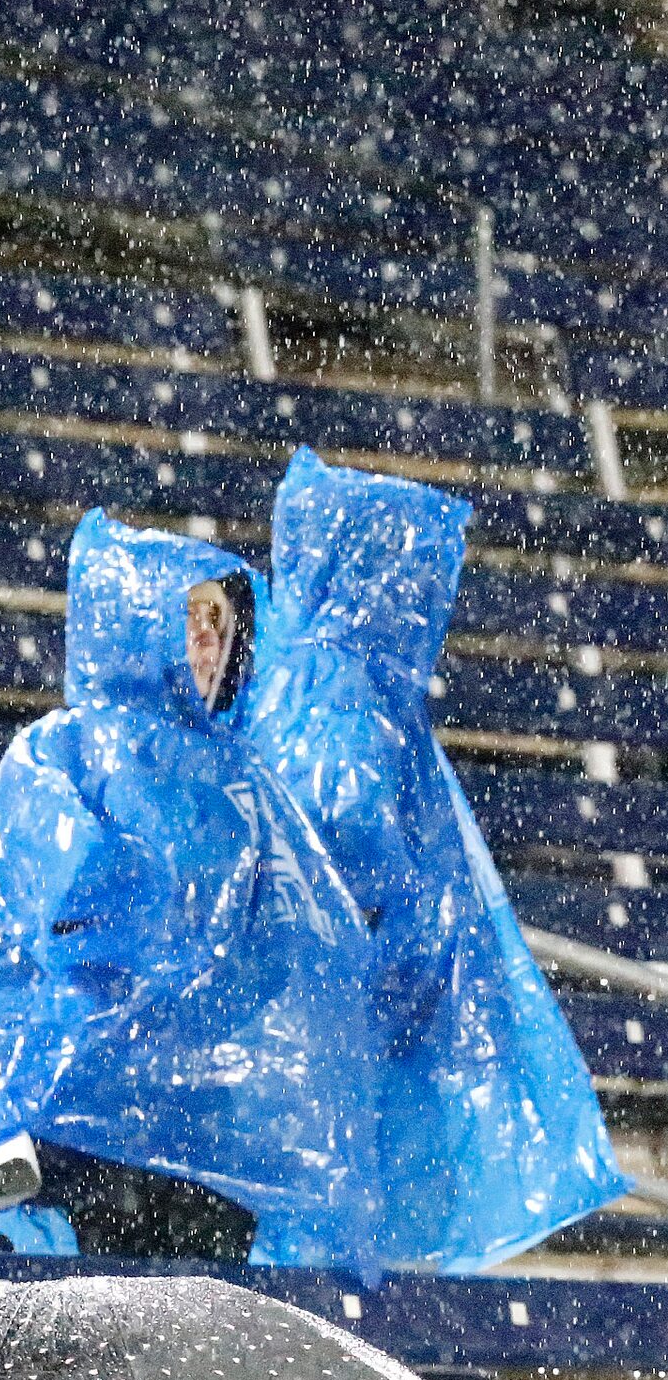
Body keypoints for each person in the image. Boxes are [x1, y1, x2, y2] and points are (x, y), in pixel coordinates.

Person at [0, 511, 385, 1273]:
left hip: (202, 1133)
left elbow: (294, 944)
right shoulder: (63, 754)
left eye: (219, 625)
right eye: (191, 622)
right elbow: (62, 923)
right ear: (138, 627)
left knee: (198, 1336)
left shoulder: (243, 780)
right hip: (85, 1114)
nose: (207, 648)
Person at [245, 449, 628, 1273]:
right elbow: (351, 848)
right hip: (342, 1043)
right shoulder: (341, 695)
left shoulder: (300, 679)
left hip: (322, 1049)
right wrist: (408, 964)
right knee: (325, 1284)